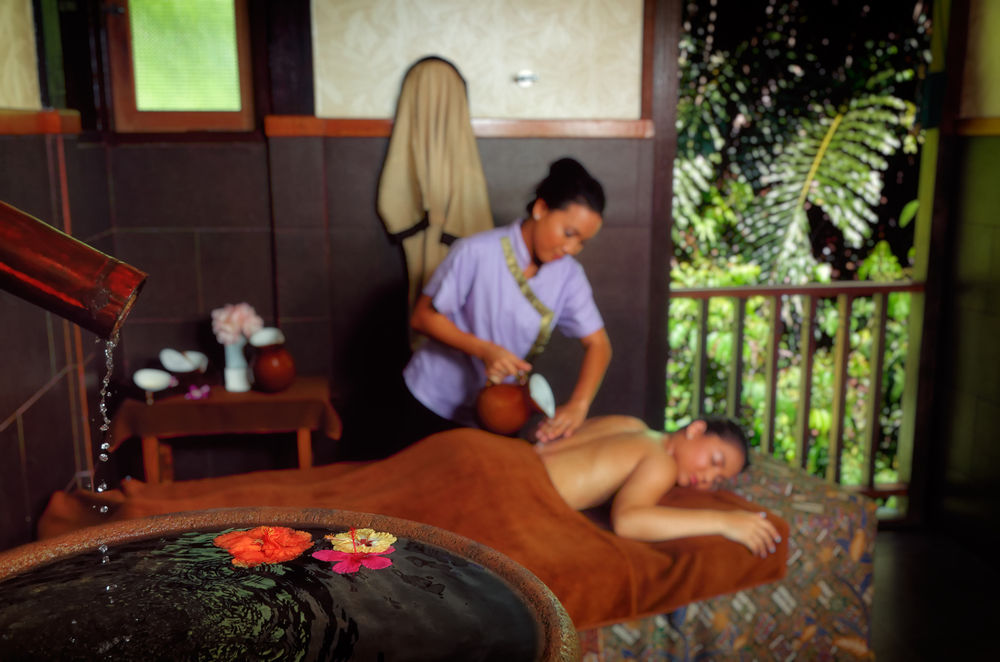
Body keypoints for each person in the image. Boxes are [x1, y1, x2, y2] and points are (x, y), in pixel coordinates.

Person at [399, 157, 613, 447]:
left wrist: (579, 405)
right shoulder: (476, 251)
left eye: (582, 242)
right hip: (432, 399)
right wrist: (484, 350)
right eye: (568, 233)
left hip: (498, 412)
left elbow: (599, 344)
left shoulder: (569, 275)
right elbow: (422, 317)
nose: (571, 248)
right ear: (541, 209)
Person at [535, 415, 782, 557]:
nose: (708, 478)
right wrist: (724, 522)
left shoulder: (632, 425)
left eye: (717, 481)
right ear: (696, 429)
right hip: (528, 494)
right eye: (714, 461)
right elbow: (628, 521)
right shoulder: (663, 462)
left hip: (518, 459)